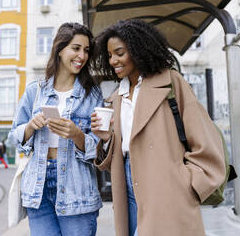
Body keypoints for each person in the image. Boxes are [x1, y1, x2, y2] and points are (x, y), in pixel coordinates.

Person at [90, 19, 225, 236]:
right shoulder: (116, 96)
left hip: (166, 184)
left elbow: (204, 137)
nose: (113, 60)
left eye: (120, 53)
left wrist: (187, 184)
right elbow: (123, 150)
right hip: (127, 185)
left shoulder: (171, 83)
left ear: (137, 50)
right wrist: (106, 137)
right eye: (109, 55)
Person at [9, 22, 103, 236]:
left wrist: (77, 135)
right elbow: (14, 136)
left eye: (86, 50)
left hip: (76, 188)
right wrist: (30, 127)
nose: (82, 56)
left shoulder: (92, 95)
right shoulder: (36, 91)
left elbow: (101, 148)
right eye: (76, 48)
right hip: (37, 187)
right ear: (60, 50)